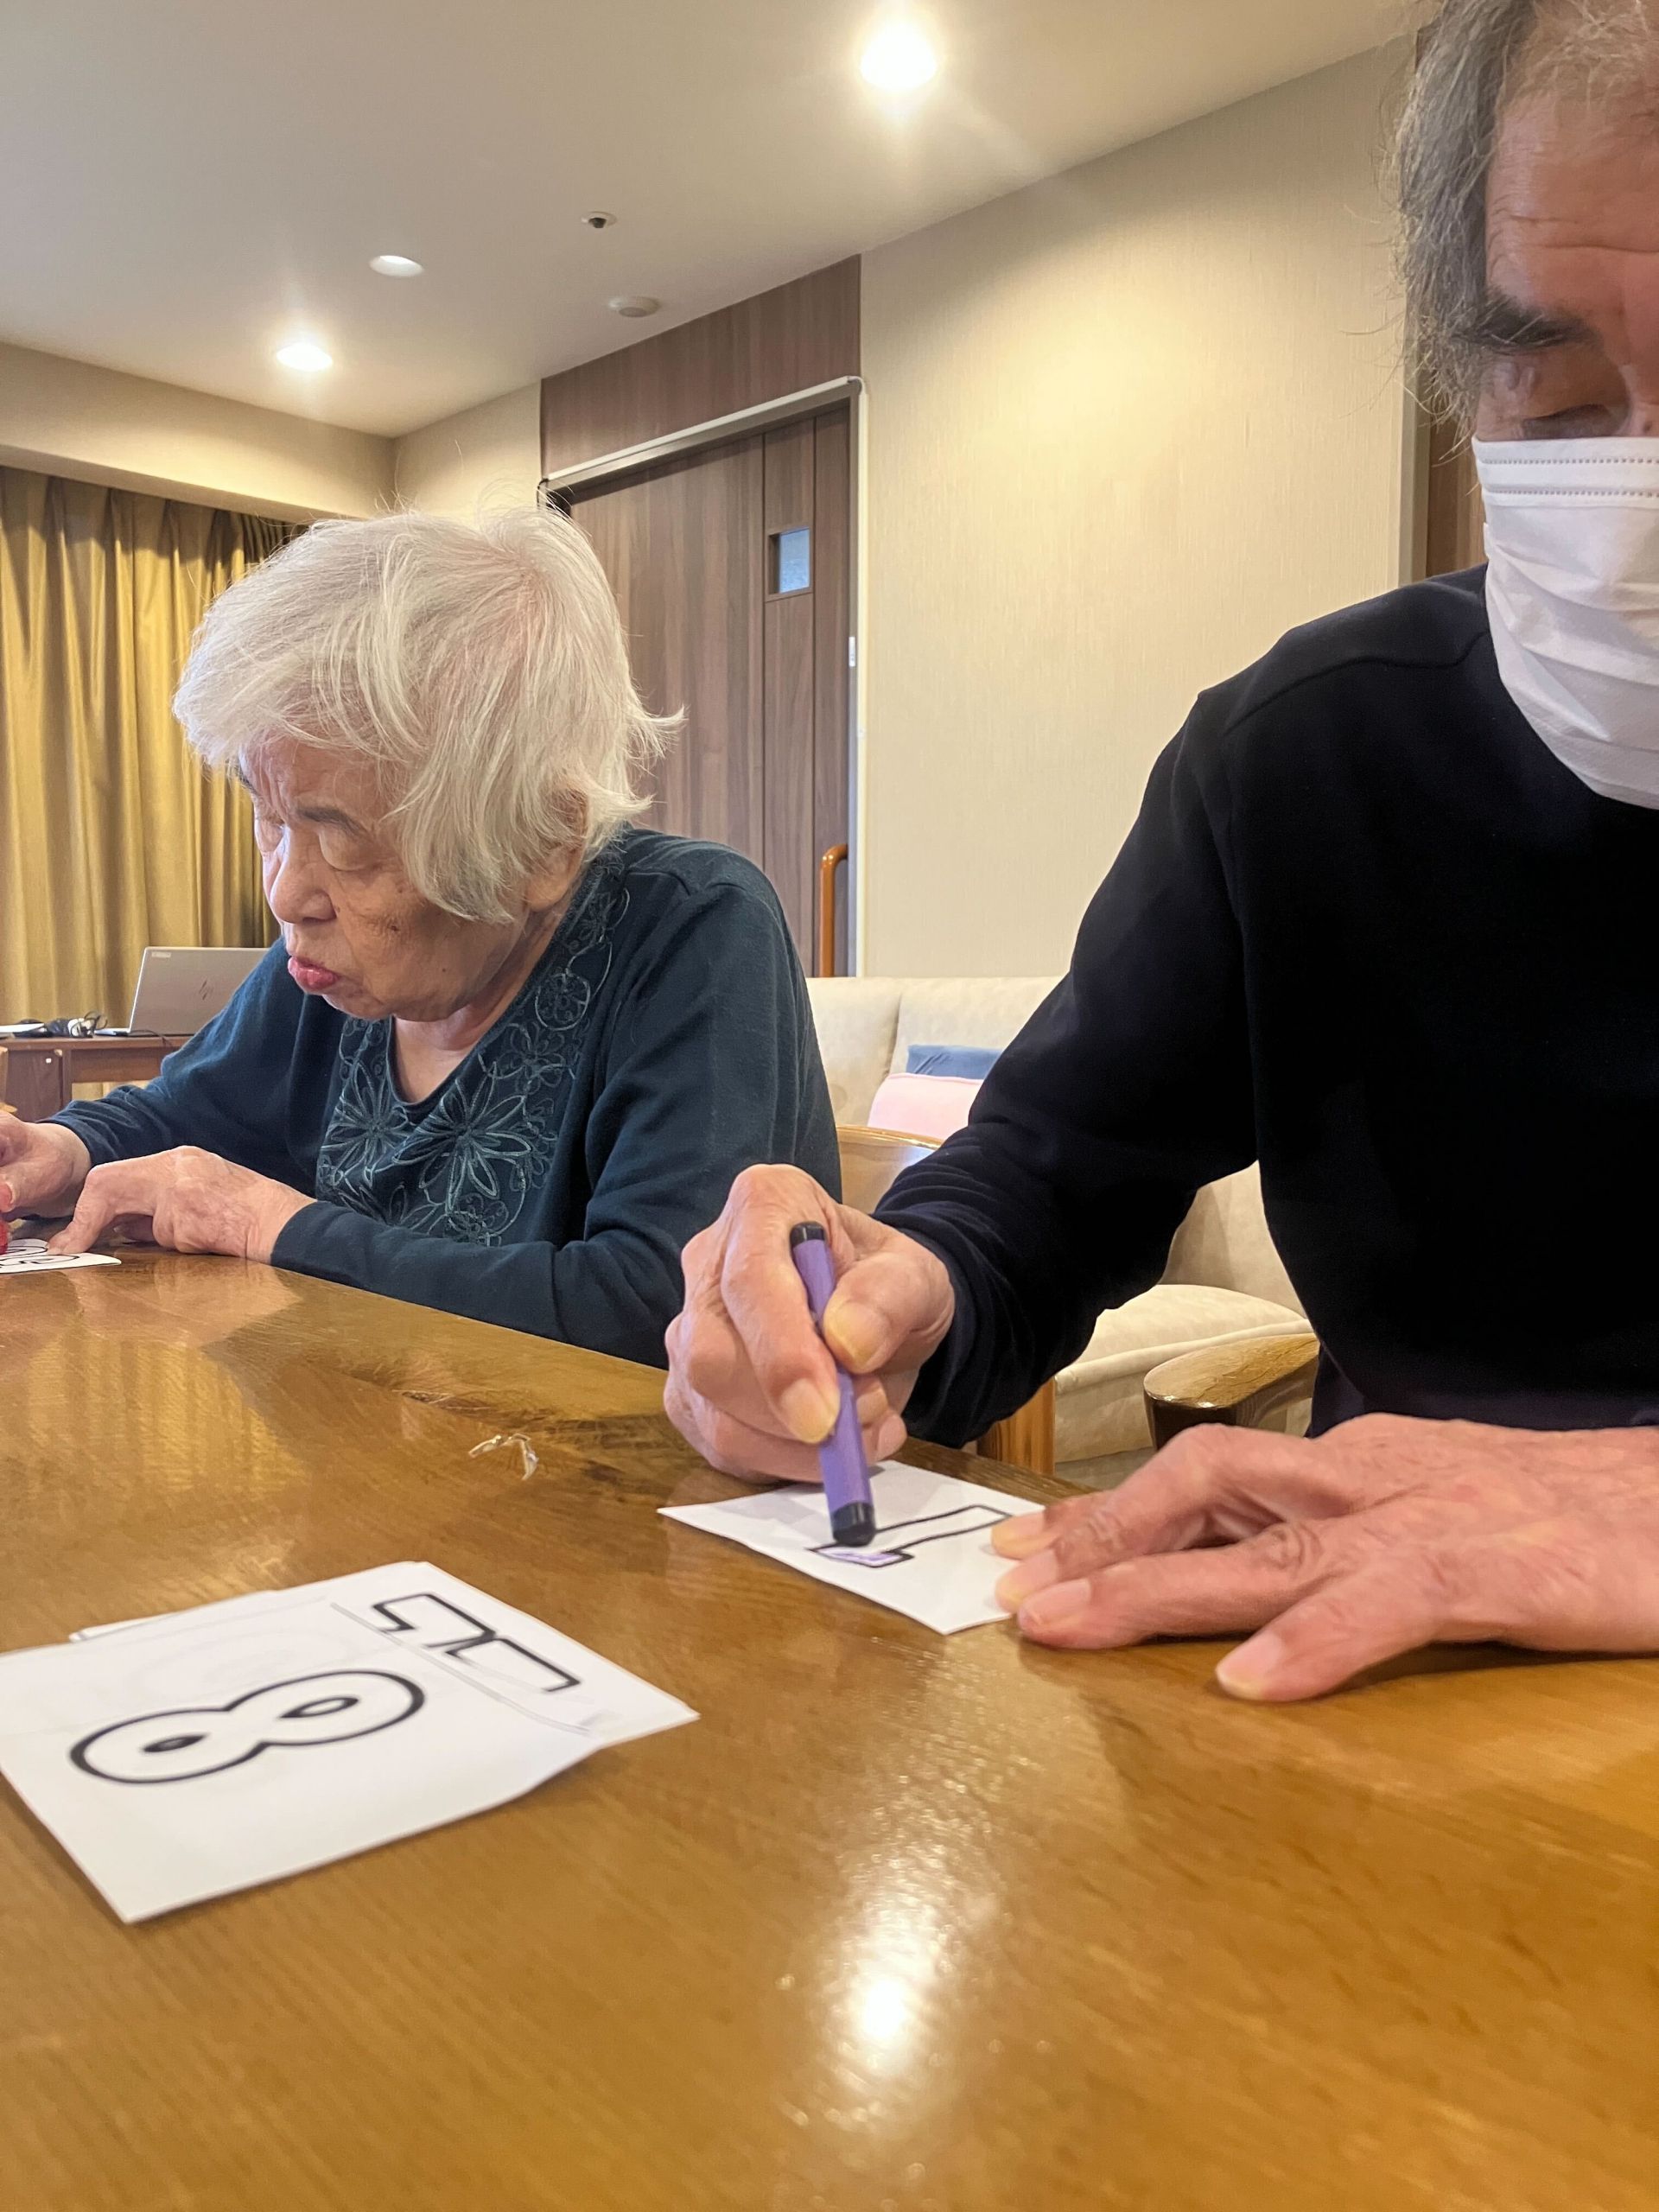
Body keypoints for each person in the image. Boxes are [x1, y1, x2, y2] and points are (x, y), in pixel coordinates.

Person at [665, 0, 1659, 1700]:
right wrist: (896, 1294)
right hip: (1376, 1693)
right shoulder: (1310, 755)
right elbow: (1049, 1171)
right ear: (1466, 389)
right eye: (1564, 405)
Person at [0, 507, 836, 1365]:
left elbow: (656, 1307)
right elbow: (187, 1114)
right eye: (270, 819)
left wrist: (275, 1227)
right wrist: (60, 1153)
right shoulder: (331, 965)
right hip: (373, 1432)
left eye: (344, 841)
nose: (286, 892)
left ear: (542, 841)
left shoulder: (692, 927)